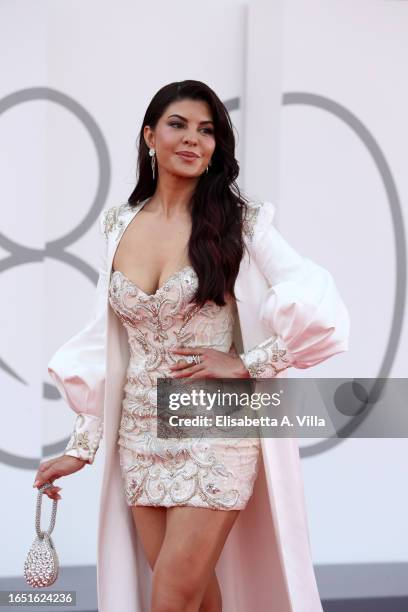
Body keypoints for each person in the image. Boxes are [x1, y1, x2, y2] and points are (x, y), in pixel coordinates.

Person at [34, 80, 350, 612]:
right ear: (149, 136)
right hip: (138, 434)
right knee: (196, 598)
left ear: (216, 148)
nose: (192, 140)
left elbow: (319, 305)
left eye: (206, 131)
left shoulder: (241, 221)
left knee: (171, 598)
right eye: (178, 125)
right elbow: (103, 339)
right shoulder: (117, 224)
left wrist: (249, 363)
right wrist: (81, 445)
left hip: (216, 426)